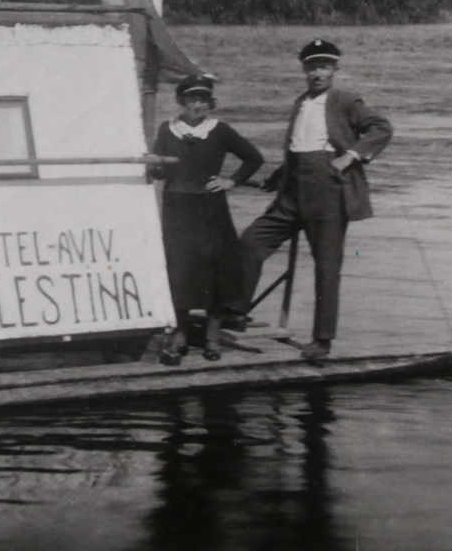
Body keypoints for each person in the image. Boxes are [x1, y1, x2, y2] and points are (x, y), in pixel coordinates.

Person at [239, 39, 392, 363]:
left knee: (326, 267)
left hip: (329, 194)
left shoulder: (346, 99)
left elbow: (381, 129)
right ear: (304, 69)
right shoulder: (301, 102)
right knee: (251, 241)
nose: (317, 73)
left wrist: (350, 156)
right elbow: (298, 147)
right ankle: (235, 312)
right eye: (311, 66)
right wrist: (275, 179)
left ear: (335, 69)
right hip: (293, 192)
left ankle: (322, 340)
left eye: (324, 66)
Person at [150, 75, 264, 364]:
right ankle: (180, 336)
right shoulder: (167, 130)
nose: (197, 105)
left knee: (216, 269)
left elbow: (254, 158)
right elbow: (160, 170)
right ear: (180, 102)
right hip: (176, 208)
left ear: (210, 104)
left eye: (203, 100)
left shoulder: (220, 130)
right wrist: (154, 169)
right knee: (179, 269)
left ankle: (212, 337)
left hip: (210, 208)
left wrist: (231, 181)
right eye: (192, 99)